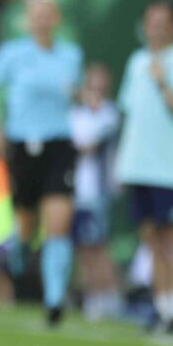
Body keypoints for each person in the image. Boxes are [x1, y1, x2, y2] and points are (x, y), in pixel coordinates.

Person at [0, 0, 82, 326]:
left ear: (56, 18)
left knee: (58, 222)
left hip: (59, 145)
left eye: (48, 13)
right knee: (27, 222)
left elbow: (77, 94)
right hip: (23, 145)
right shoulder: (13, 54)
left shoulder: (71, 56)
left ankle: (54, 300)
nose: (42, 19)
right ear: (28, 19)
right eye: (36, 13)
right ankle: (19, 252)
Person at [115, 0, 173, 333]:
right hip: (140, 168)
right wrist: (124, 165)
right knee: (152, 240)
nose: (156, 27)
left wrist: (163, 82)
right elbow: (131, 117)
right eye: (151, 21)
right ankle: (163, 310)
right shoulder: (137, 61)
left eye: (163, 21)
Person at [69, 64, 121, 321]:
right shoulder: (75, 115)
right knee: (83, 248)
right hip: (77, 190)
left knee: (99, 246)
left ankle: (108, 296)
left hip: (98, 191)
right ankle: (92, 295)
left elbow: (88, 146)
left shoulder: (110, 114)